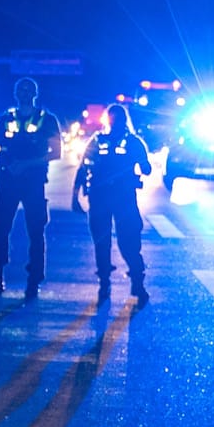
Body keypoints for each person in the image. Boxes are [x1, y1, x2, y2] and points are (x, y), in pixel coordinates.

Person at [0, 77, 63, 300]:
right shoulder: (4, 119)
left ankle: (33, 281)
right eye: (21, 89)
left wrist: (27, 164)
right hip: (8, 182)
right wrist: (9, 165)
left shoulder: (47, 120)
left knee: (36, 233)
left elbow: (56, 152)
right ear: (16, 93)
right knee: (0, 232)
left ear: (35, 93)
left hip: (34, 183)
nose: (25, 92)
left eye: (29, 89)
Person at [71, 102, 153, 303]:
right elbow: (83, 168)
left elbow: (146, 168)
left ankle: (135, 282)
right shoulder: (98, 141)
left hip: (121, 198)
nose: (115, 122)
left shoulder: (133, 142)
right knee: (104, 242)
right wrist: (74, 196)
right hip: (101, 198)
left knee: (126, 241)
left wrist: (140, 163)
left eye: (118, 118)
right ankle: (107, 283)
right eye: (113, 118)